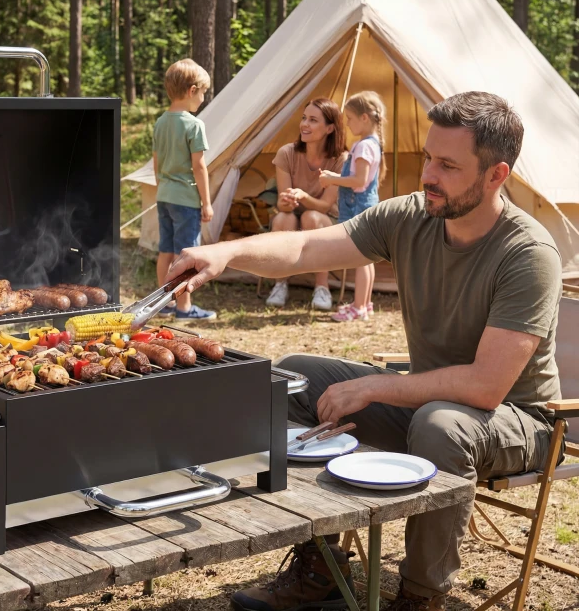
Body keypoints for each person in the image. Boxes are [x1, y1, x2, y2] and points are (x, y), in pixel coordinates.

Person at [166, 92, 563, 611]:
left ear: (495, 175)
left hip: (518, 418)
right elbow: (308, 248)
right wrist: (224, 252)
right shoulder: (410, 217)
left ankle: (421, 597)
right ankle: (321, 566)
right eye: (426, 157)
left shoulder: (527, 254)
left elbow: (486, 386)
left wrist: (376, 385)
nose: (428, 176)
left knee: (443, 425)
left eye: (447, 165)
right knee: (293, 380)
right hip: (428, 402)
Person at [265, 98, 347, 311]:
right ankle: (280, 283)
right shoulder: (286, 153)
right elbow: (283, 206)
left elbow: (325, 205)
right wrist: (286, 201)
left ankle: (322, 287)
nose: (304, 124)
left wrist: (302, 196)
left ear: (330, 128)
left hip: (325, 219)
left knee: (310, 217)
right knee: (284, 217)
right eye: (303, 118)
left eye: (312, 120)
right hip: (292, 217)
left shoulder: (341, 159)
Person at [152, 59, 217, 322]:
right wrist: (207, 202)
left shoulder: (160, 122)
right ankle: (184, 308)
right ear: (191, 90)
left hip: (164, 196)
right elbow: (199, 167)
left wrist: (162, 188)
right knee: (187, 256)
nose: (202, 99)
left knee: (165, 251)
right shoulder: (194, 125)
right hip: (186, 200)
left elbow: (156, 163)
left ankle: (163, 302)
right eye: (202, 93)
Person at [319, 91, 387, 322]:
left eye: (349, 118)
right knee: (366, 259)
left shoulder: (364, 147)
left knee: (360, 258)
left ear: (365, 118)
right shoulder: (372, 144)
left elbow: (359, 181)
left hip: (357, 207)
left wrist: (332, 179)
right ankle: (364, 304)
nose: (347, 123)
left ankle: (358, 306)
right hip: (364, 205)